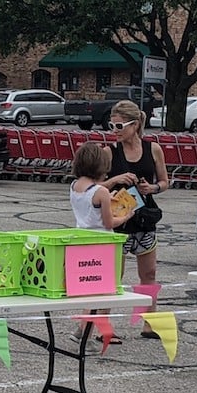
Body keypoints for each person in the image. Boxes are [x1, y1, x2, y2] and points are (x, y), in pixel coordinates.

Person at [104, 100, 169, 339]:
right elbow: (94, 185)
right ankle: (104, 327)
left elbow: (164, 181)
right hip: (119, 221)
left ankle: (149, 323)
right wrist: (115, 179)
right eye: (112, 125)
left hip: (144, 219)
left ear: (136, 124)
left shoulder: (153, 149)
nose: (115, 131)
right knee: (113, 277)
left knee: (149, 273)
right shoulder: (109, 152)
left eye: (120, 126)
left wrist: (152, 188)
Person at [68, 141, 134, 348]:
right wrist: (125, 217)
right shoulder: (101, 192)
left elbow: (90, 204)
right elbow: (108, 222)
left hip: (81, 238)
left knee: (87, 287)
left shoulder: (75, 186)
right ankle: (83, 332)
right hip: (102, 242)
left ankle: (82, 330)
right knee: (102, 290)